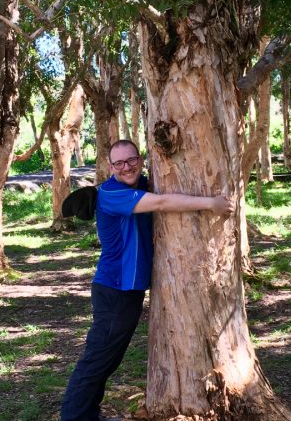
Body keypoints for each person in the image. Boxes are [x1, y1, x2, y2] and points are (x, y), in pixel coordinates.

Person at [60, 139, 234, 421]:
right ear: (110, 167)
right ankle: (75, 417)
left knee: (110, 358)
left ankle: (87, 414)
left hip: (127, 290)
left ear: (141, 159)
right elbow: (164, 202)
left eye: (131, 160)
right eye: (119, 163)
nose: (126, 167)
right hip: (114, 289)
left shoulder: (141, 184)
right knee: (98, 357)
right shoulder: (111, 194)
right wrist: (210, 203)